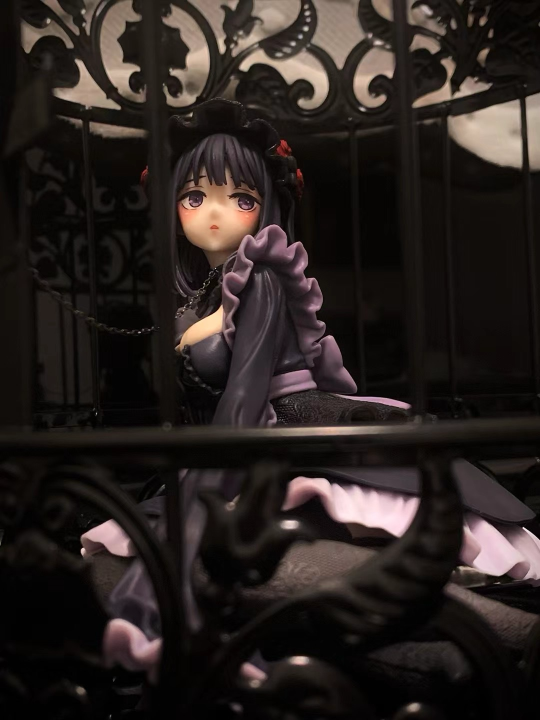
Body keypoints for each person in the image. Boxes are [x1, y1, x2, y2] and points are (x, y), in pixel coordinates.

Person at [82, 98, 540, 676]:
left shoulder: (262, 277)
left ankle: (500, 637)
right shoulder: (208, 288)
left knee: (258, 562)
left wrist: (209, 482)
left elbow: (246, 393)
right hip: (242, 438)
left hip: (279, 427)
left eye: (241, 198)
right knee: (133, 566)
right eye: (194, 197)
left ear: (267, 207)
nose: (214, 213)